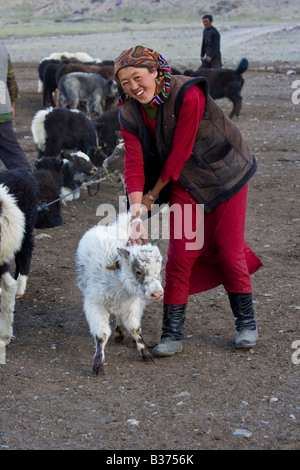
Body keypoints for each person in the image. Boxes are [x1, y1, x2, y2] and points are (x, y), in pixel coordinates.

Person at [114, 45, 262, 357]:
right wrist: (136, 215)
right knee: (181, 253)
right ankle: (171, 334)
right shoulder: (128, 112)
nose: (133, 87)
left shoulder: (187, 94)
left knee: (228, 248)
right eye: (125, 83)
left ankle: (246, 324)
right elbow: (134, 165)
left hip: (225, 173)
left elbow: (179, 153)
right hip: (185, 181)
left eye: (137, 78)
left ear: (155, 71)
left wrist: (152, 198)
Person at [0, 44, 31, 170]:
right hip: (2, 106)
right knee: (12, 152)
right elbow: (10, 79)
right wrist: (12, 104)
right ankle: (29, 182)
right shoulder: (2, 48)